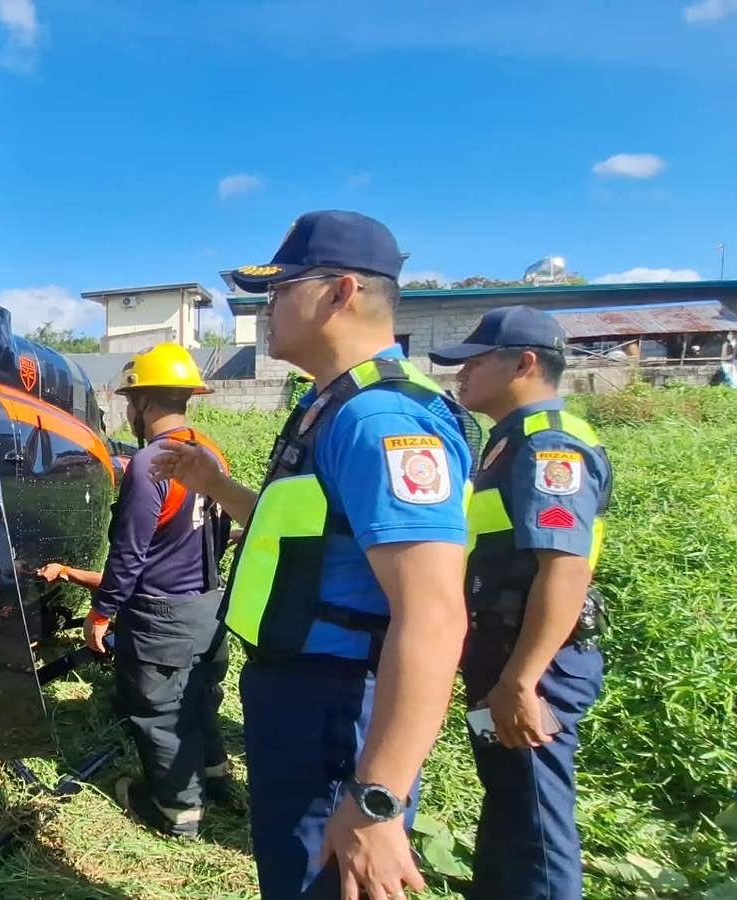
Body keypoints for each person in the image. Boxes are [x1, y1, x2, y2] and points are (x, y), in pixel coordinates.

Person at [151, 210, 477, 899]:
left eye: (278, 290)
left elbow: (435, 616)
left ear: (341, 292)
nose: (265, 308)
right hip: (299, 695)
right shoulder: (329, 405)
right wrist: (215, 487)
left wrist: (377, 800)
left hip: (335, 707)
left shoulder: (381, 420)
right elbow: (312, 539)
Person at [428, 307, 612, 899]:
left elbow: (565, 567)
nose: (461, 375)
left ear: (524, 363)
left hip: (532, 663)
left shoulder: (548, 446)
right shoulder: (507, 443)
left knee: (536, 821)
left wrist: (522, 679)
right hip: (503, 654)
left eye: (475, 362)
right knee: (511, 805)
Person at [36, 342, 234, 838]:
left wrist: (100, 614)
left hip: (163, 615)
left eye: (129, 401)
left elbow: (129, 554)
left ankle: (176, 811)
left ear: (141, 403)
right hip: (210, 608)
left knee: (162, 712)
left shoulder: (150, 464)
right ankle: (215, 776)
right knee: (200, 696)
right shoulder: (211, 454)